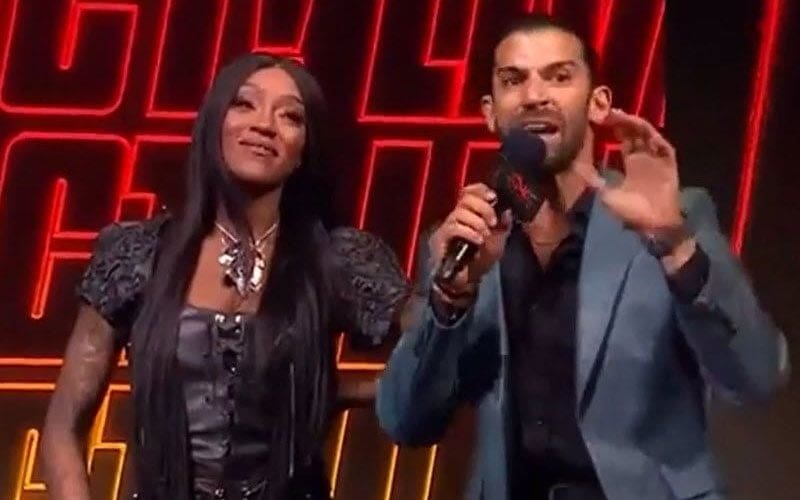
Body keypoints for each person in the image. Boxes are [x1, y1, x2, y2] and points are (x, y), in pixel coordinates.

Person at [376, 14, 789, 500]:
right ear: (489, 112)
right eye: (513, 80)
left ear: (599, 103)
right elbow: (405, 420)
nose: (535, 95)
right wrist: (451, 300)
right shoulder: (465, 241)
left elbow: (758, 376)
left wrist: (676, 247)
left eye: (559, 76)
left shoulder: (672, 218)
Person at [40, 53, 409, 500]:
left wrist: (332, 392)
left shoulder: (337, 258)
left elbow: (437, 349)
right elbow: (63, 426)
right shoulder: (139, 255)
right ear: (214, 125)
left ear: (303, 151)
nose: (264, 125)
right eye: (244, 104)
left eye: (290, 116)